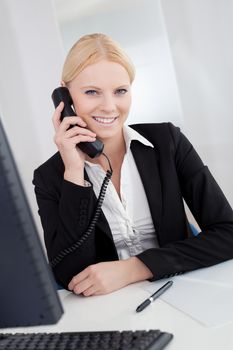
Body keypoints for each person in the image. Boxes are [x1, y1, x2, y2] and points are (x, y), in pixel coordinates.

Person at [33, 33, 233, 296]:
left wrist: (135, 268)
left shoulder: (167, 142)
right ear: (65, 97)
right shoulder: (50, 176)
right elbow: (68, 273)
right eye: (92, 92)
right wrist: (74, 172)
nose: (109, 106)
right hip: (108, 310)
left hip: (181, 292)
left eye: (120, 91)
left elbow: (228, 233)